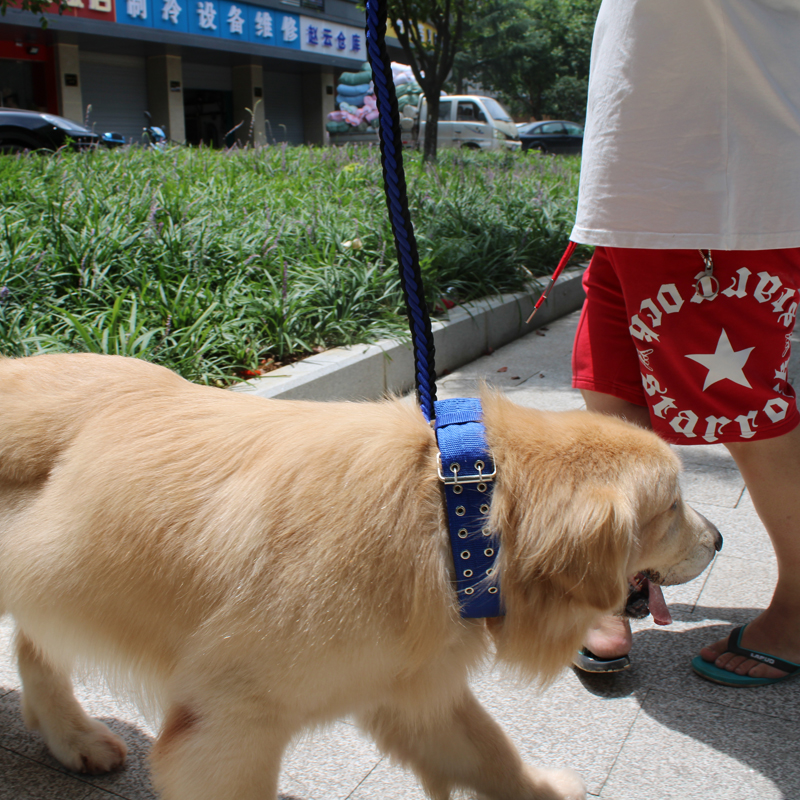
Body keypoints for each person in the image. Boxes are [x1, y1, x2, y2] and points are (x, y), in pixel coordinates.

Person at [568, 0, 800, 686]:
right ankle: (617, 575)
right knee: (609, 383)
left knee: (745, 409)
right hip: (643, 159)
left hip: (717, 160)